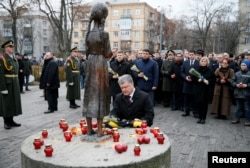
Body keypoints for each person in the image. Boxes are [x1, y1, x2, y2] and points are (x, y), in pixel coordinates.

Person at [83, 2, 113, 137]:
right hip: (100, 63)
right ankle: (100, 130)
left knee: (90, 93)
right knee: (100, 93)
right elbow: (107, 53)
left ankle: (89, 129)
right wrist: (110, 54)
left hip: (90, 63)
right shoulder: (104, 35)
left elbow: (87, 51)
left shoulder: (88, 34)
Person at [0, 40, 22, 129]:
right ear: (5, 49)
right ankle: (6, 122)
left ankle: (11, 120)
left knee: (13, 102)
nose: (12, 48)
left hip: (14, 83)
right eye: (10, 47)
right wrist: (2, 87)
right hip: (7, 84)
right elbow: (0, 74)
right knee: (7, 103)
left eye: (12, 47)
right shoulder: (3, 59)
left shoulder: (13, 58)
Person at [191, 57, 215, 124]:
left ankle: (203, 118)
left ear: (207, 62)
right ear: (200, 62)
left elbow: (213, 79)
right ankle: (199, 117)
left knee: (204, 104)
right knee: (198, 103)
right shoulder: (197, 70)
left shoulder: (210, 70)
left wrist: (208, 81)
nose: (203, 62)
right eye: (202, 61)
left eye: (205, 61)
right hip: (198, 89)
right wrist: (197, 80)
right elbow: (193, 78)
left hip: (206, 90)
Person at [231, 60, 250, 126]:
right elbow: (232, 81)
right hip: (238, 93)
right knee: (238, 107)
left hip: (246, 93)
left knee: (247, 107)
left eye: (244, 65)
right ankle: (237, 118)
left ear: (247, 66)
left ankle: (248, 120)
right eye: (242, 65)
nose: (243, 66)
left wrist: (246, 85)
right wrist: (236, 85)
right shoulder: (237, 73)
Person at [181, 50, 199, 117]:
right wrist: (185, 77)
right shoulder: (185, 62)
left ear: (195, 55)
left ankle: (195, 112)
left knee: (194, 98)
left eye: (192, 54)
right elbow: (182, 72)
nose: (191, 56)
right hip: (186, 83)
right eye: (190, 54)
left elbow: (199, 73)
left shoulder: (198, 63)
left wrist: (194, 78)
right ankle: (186, 111)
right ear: (188, 55)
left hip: (194, 83)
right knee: (186, 98)